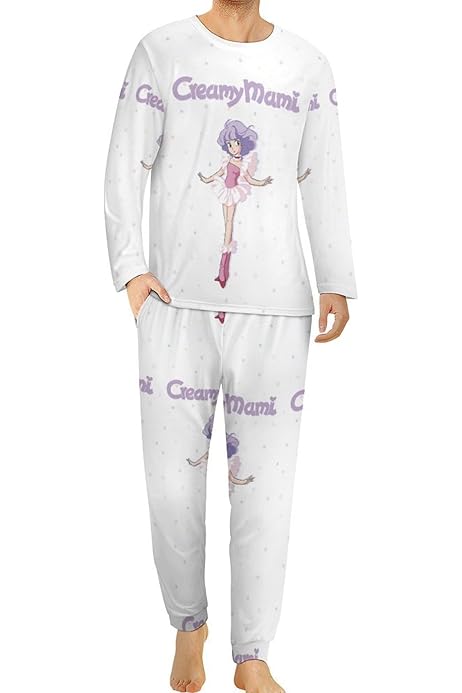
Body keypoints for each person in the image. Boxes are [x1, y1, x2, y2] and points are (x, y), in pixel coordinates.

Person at [104, 1, 357, 691]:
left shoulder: (307, 65)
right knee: (171, 487)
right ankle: (189, 626)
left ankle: (253, 654)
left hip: (276, 308)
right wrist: (129, 268)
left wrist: (335, 277)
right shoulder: (161, 51)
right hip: (175, 306)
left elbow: (323, 174)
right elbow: (127, 158)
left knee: (266, 493)